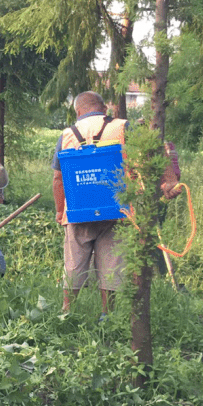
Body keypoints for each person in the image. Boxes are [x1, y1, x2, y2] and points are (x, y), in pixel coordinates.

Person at [51, 91, 127, 317]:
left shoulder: (67, 135)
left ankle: (67, 312)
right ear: (104, 109)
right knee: (111, 262)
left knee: (74, 262)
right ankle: (107, 315)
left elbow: (58, 178)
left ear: (78, 112)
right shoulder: (122, 127)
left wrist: (58, 210)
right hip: (116, 208)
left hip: (77, 210)